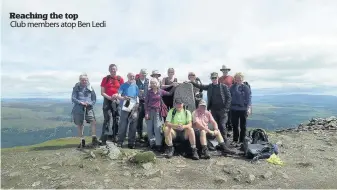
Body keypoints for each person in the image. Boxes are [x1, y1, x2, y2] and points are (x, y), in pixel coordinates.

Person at [188, 72, 231, 141]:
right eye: (212, 78)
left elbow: (229, 98)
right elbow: (200, 86)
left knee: (222, 125)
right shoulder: (210, 86)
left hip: (223, 109)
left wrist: (226, 109)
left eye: (215, 78)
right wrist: (192, 82)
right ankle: (219, 140)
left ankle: (225, 141)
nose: (214, 79)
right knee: (216, 125)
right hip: (213, 109)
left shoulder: (223, 87)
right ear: (211, 79)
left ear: (218, 78)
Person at [145, 78, 176, 151]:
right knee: (149, 129)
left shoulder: (160, 91)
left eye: (154, 83)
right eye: (152, 83)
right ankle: (152, 144)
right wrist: (146, 113)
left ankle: (158, 144)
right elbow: (146, 103)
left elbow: (169, 93)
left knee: (157, 128)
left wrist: (174, 86)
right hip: (149, 111)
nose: (153, 84)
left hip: (158, 112)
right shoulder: (149, 92)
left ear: (157, 83)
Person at [71, 73, 98, 148]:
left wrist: (89, 103)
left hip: (88, 107)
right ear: (80, 80)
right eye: (82, 80)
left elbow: (94, 99)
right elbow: (73, 98)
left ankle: (94, 138)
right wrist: (81, 102)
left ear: (87, 80)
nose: (84, 81)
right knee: (80, 124)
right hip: (78, 108)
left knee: (93, 121)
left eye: (85, 80)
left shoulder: (90, 88)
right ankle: (82, 140)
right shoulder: (76, 88)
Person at [100, 64, 124, 144]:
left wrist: (117, 95)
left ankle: (115, 136)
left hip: (117, 100)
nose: (113, 70)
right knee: (107, 118)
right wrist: (110, 97)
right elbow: (102, 92)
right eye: (111, 69)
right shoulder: (105, 79)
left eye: (114, 69)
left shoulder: (120, 79)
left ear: (116, 69)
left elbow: (122, 91)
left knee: (116, 118)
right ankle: (104, 137)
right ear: (109, 70)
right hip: (107, 100)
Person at [114, 73, 139, 149]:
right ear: (127, 77)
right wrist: (123, 98)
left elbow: (137, 96)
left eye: (133, 76)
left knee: (133, 125)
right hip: (125, 106)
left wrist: (137, 104)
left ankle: (131, 143)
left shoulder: (136, 86)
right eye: (131, 76)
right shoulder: (123, 85)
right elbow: (118, 95)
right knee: (123, 125)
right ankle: (120, 142)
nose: (132, 77)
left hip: (134, 106)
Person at [230, 72, 252, 147]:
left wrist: (249, 108)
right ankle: (235, 140)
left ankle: (242, 141)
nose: (238, 79)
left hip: (243, 109)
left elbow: (249, 98)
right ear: (235, 79)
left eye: (240, 78)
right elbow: (229, 97)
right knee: (235, 125)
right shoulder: (232, 87)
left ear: (242, 79)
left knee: (243, 126)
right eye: (237, 78)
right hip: (233, 108)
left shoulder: (245, 87)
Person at [218, 65, 235, 136]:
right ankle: (224, 129)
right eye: (223, 70)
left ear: (228, 70)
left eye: (226, 70)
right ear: (222, 71)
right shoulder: (220, 79)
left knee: (230, 113)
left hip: (230, 98)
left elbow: (234, 86)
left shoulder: (231, 78)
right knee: (223, 114)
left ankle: (230, 129)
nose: (225, 71)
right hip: (222, 99)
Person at [135, 69, 149, 141]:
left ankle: (149, 135)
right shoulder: (136, 81)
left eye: (145, 74)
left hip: (147, 102)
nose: (144, 75)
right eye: (143, 73)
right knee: (139, 119)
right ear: (140, 74)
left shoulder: (148, 81)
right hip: (139, 102)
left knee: (148, 119)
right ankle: (139, 135)